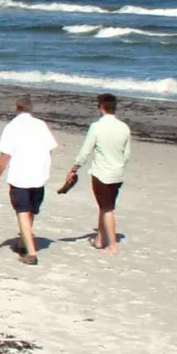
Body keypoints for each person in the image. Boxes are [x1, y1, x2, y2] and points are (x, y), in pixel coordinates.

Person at [0, 94, 59, 265]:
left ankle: (31, 252)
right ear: (31, 109)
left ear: (16, 109)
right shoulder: (41, 125)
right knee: (30, 211)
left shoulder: (12, 127)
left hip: (21, 176)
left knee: (22, 212)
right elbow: (50, 149)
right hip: (39, 176)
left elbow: (5, 155)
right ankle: (23, 242)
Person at [69, 92, 132, 255]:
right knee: (105, 206)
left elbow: (86, 150)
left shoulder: (96, 127)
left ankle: (112, 245)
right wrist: (120, 165)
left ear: (101, 107)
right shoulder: (124, 127)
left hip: (101, 172)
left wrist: (75, 167)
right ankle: (99, 239)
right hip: (117, 173)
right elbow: (127, 154)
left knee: (107, 208)